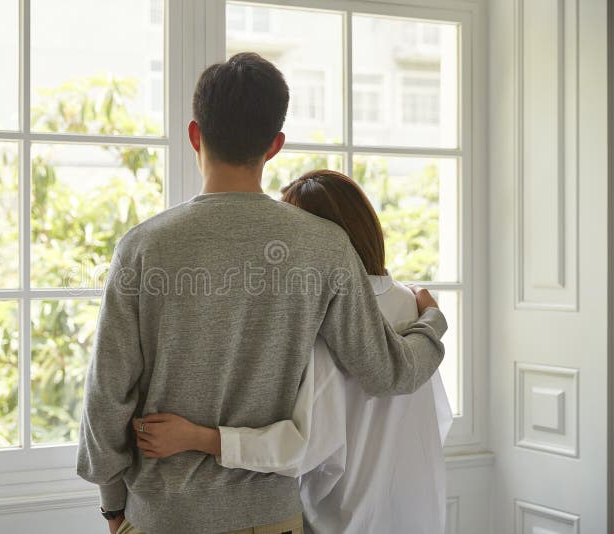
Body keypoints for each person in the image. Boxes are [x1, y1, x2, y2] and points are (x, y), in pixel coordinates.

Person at [76, 53, 448, 534]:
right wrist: (433, 322)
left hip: (163, 516)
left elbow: (106, 397)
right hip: (271, 519)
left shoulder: (143, 247)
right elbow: (387, 371)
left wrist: (113, 507)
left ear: (195, 134)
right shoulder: (324, 246)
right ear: (275, 146)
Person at [132, 170, 454, 534]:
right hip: (419, 512)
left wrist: (198, 437)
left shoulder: (319, 316)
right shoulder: (413, 304)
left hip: (342, 520)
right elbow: (435, 419)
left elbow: (302, 447)